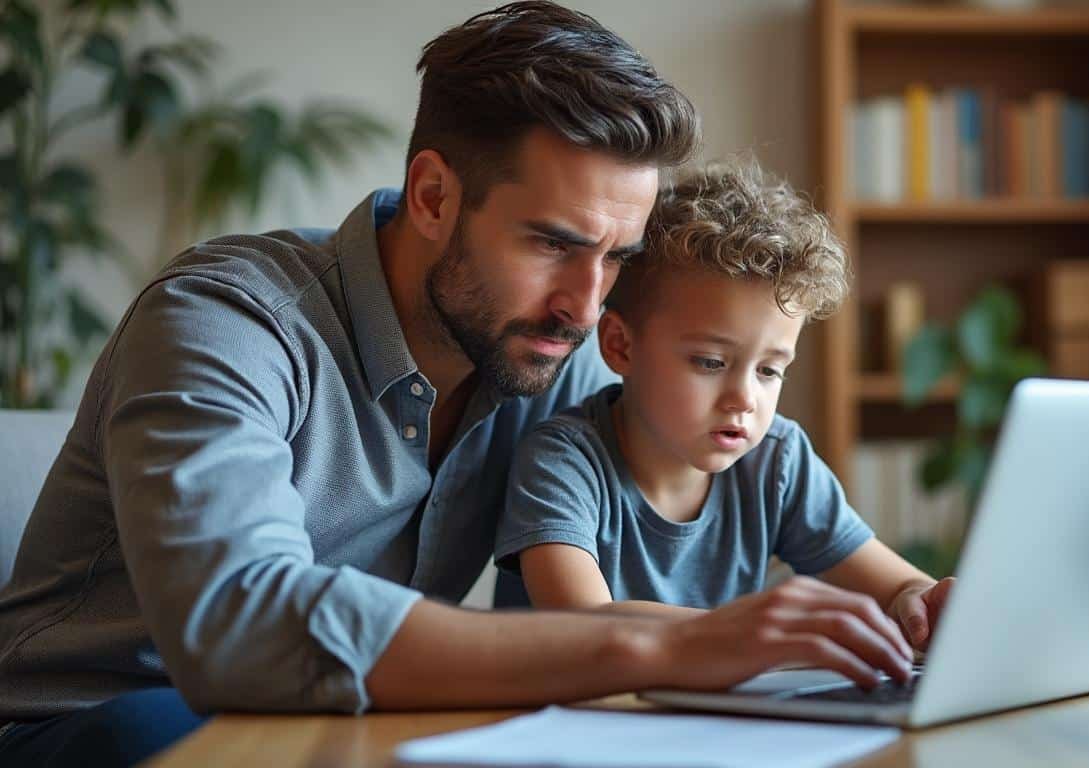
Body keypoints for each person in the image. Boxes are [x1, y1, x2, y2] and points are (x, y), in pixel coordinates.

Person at [0, 3, 914, 766]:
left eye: (616, 261)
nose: (586, 307)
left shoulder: (553, 358)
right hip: (98, 726)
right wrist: (672, 639)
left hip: (334, 728)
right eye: (553, 244)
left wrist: (922, 606)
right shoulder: (226, 321)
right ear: (434, 197)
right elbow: (240, 625)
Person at [493, 160, 955, 639]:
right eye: (711, 363)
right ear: (620, 346)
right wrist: (762, 631)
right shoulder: (561, 463)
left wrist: (918, 600)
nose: (744, 399)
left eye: (770, 370)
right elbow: (583, 622)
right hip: (572, 713)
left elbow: (898, 584)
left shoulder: (776, 463)